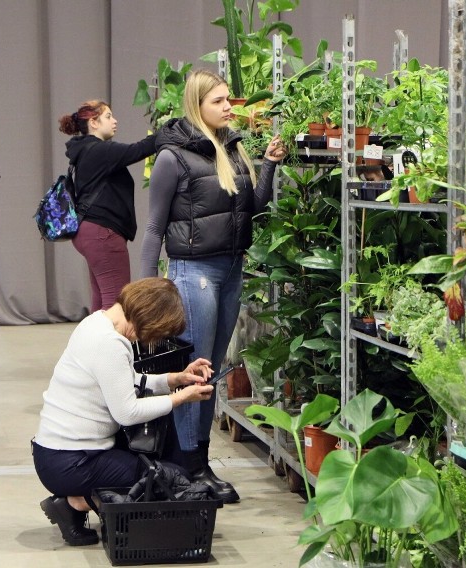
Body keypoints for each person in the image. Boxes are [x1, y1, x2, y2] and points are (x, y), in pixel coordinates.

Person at [139, 69, 287, 503]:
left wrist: (271, 166)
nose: (228, 107)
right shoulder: (174, 157)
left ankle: (199, 462)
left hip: (230, 270)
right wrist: (143, 298)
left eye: (229, 100)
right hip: (193, 273)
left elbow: (253, 208)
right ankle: (187, 468)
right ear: (197, 104)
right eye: (219, 101)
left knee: (212, 375)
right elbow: (152, 229)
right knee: (195, 373)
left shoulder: (233, 148)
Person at [32, 277, 215, 546]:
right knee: (160, 478)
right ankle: (77, 503)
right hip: (71, 462)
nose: (154, 338)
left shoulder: (97, 323)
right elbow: (127, 412)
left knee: (157, 466)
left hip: (57, 453)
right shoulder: (111, 344)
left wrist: (176, 379)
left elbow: (128, 380)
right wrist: (180, 398)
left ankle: (76, 501)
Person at [60, 101, 158, 312]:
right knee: (117, 303)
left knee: (102, 301)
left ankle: (92, 345)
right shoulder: (100, 150)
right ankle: (109, 345)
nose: (115, 121)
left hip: (89, 231)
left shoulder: (83, 150)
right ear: (93, 123)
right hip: (102, 232)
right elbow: (140, 149)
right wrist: (169, 131)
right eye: (108, 116)